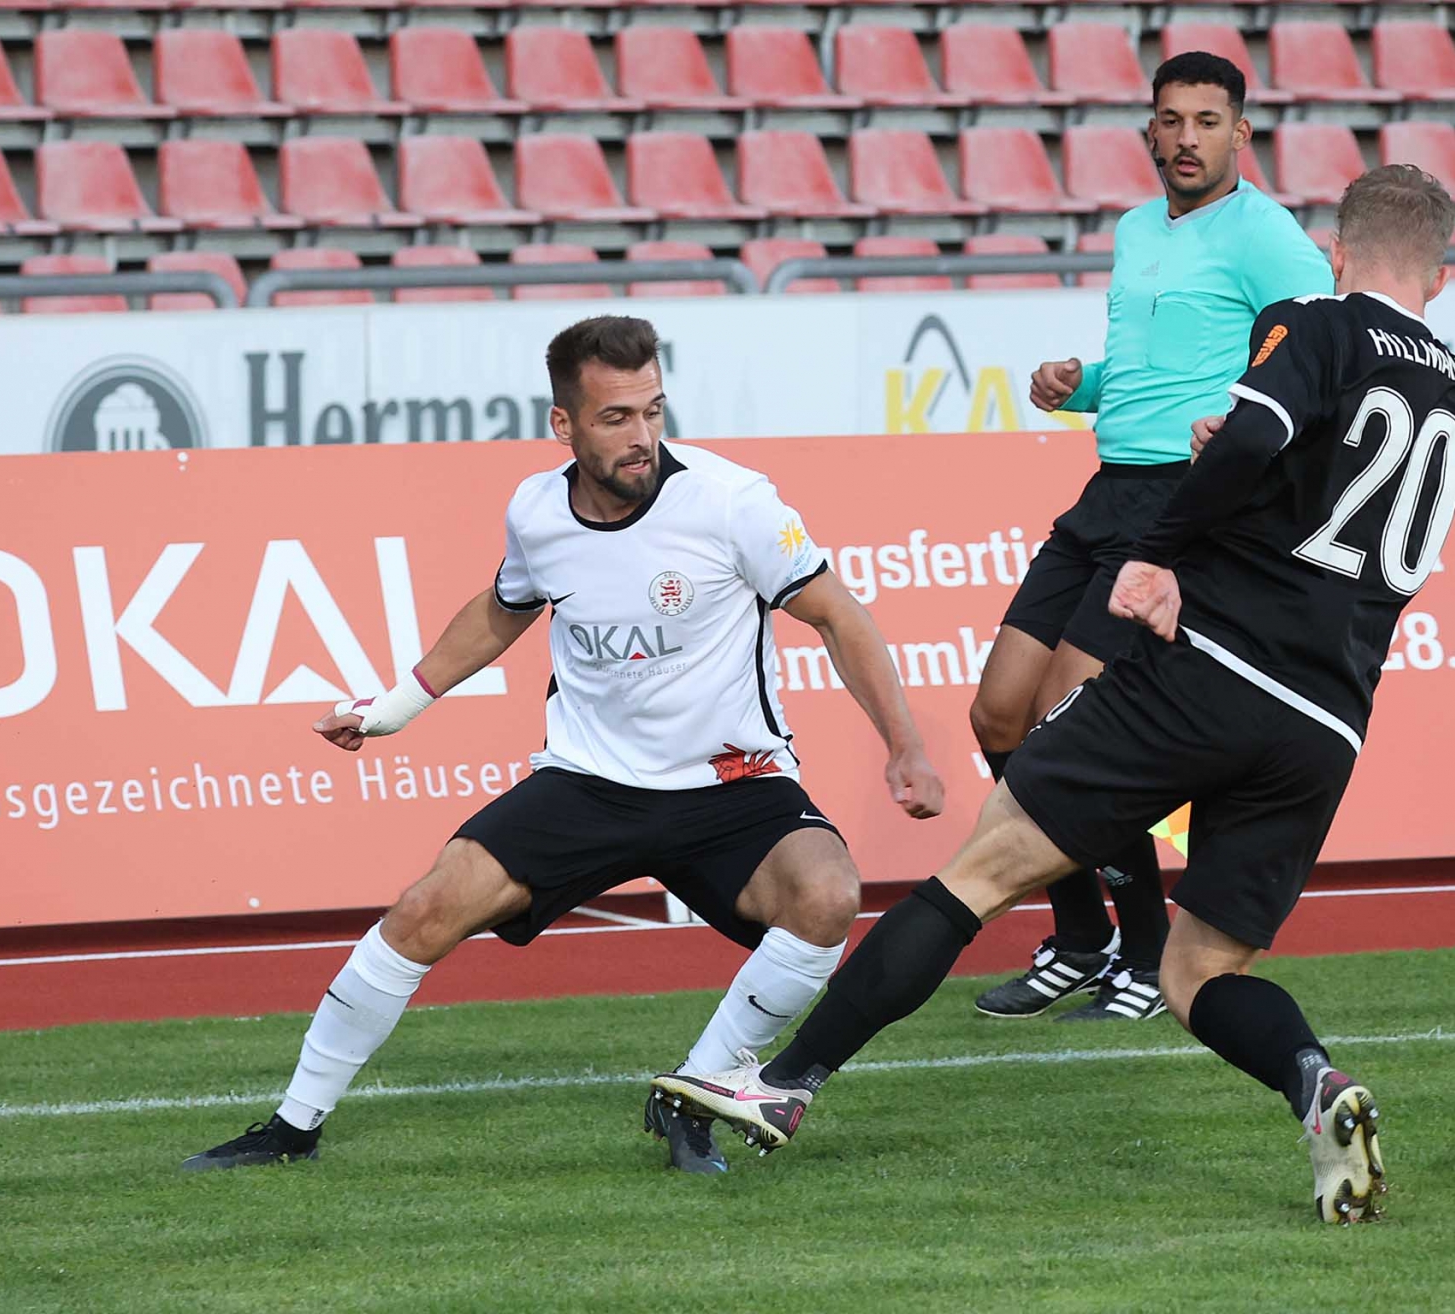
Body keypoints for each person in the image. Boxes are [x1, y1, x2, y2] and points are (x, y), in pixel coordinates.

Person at [655, 166, 1455, 1226]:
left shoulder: (1315, 328)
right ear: (1444, 273)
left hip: (1210, 670)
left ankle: (785, 1082)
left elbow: (1261, 442)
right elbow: (1346, 521)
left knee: (979, 872)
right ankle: (1313, 1082)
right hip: (1327, 721)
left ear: (1337, 253)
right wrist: (1246, 470)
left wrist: (1159, 552)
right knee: (1203, 972)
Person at [181, 316, 944, 1178]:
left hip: (733, 783)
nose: (643, 436)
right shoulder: (538, 511)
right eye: (617, 417)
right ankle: (293, 1126)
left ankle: (694, 1090)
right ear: (565, 425)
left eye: (654, 411)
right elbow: (506, 607)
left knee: (829, 895)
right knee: (421, 913)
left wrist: (904, 747)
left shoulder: (735, 502)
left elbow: (838, 615)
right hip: (588, 784)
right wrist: (396, 706)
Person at [973, 50, 1334, 1023]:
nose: (1185, 139)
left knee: (1071, 723)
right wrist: (1078, 384)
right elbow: (1152, 363)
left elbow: (1321, 353)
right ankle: (1083, 936)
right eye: (1170, 121)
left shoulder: (1269, 237)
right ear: (1149, 130)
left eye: (1206, 122)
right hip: (1104, 492)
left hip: (1180, 504)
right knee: (999, 718)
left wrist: (1257, 455)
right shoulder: (1137, 230)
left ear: (1240, 133)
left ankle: (1139, 952)